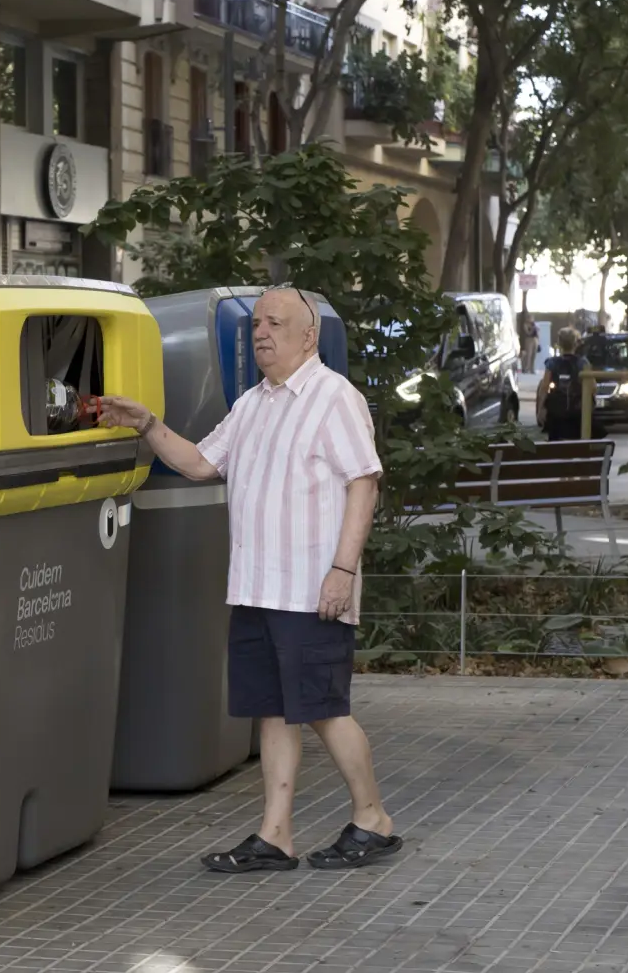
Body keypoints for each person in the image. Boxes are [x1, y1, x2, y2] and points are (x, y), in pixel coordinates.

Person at [97, 285, 400, 874]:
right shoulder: (254, 403)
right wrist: (148, 424)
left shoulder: (334, 398)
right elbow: (200, 463)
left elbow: (364, 482)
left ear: (308, 335)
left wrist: (343, 570)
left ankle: (373, 820)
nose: (261, 333)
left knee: (322, 707)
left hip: (312, 587)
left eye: (275, 323)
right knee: (272, 709)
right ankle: (276, 835)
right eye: (257, 323)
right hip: (257, 587)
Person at [537, 326, 588, 441]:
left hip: (556, 414)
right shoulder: (582, 363)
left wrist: (540, 409)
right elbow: (592, 387)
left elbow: (544, 387)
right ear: (576, 344)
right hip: (577, 413)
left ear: (559, 343)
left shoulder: (552, 363)